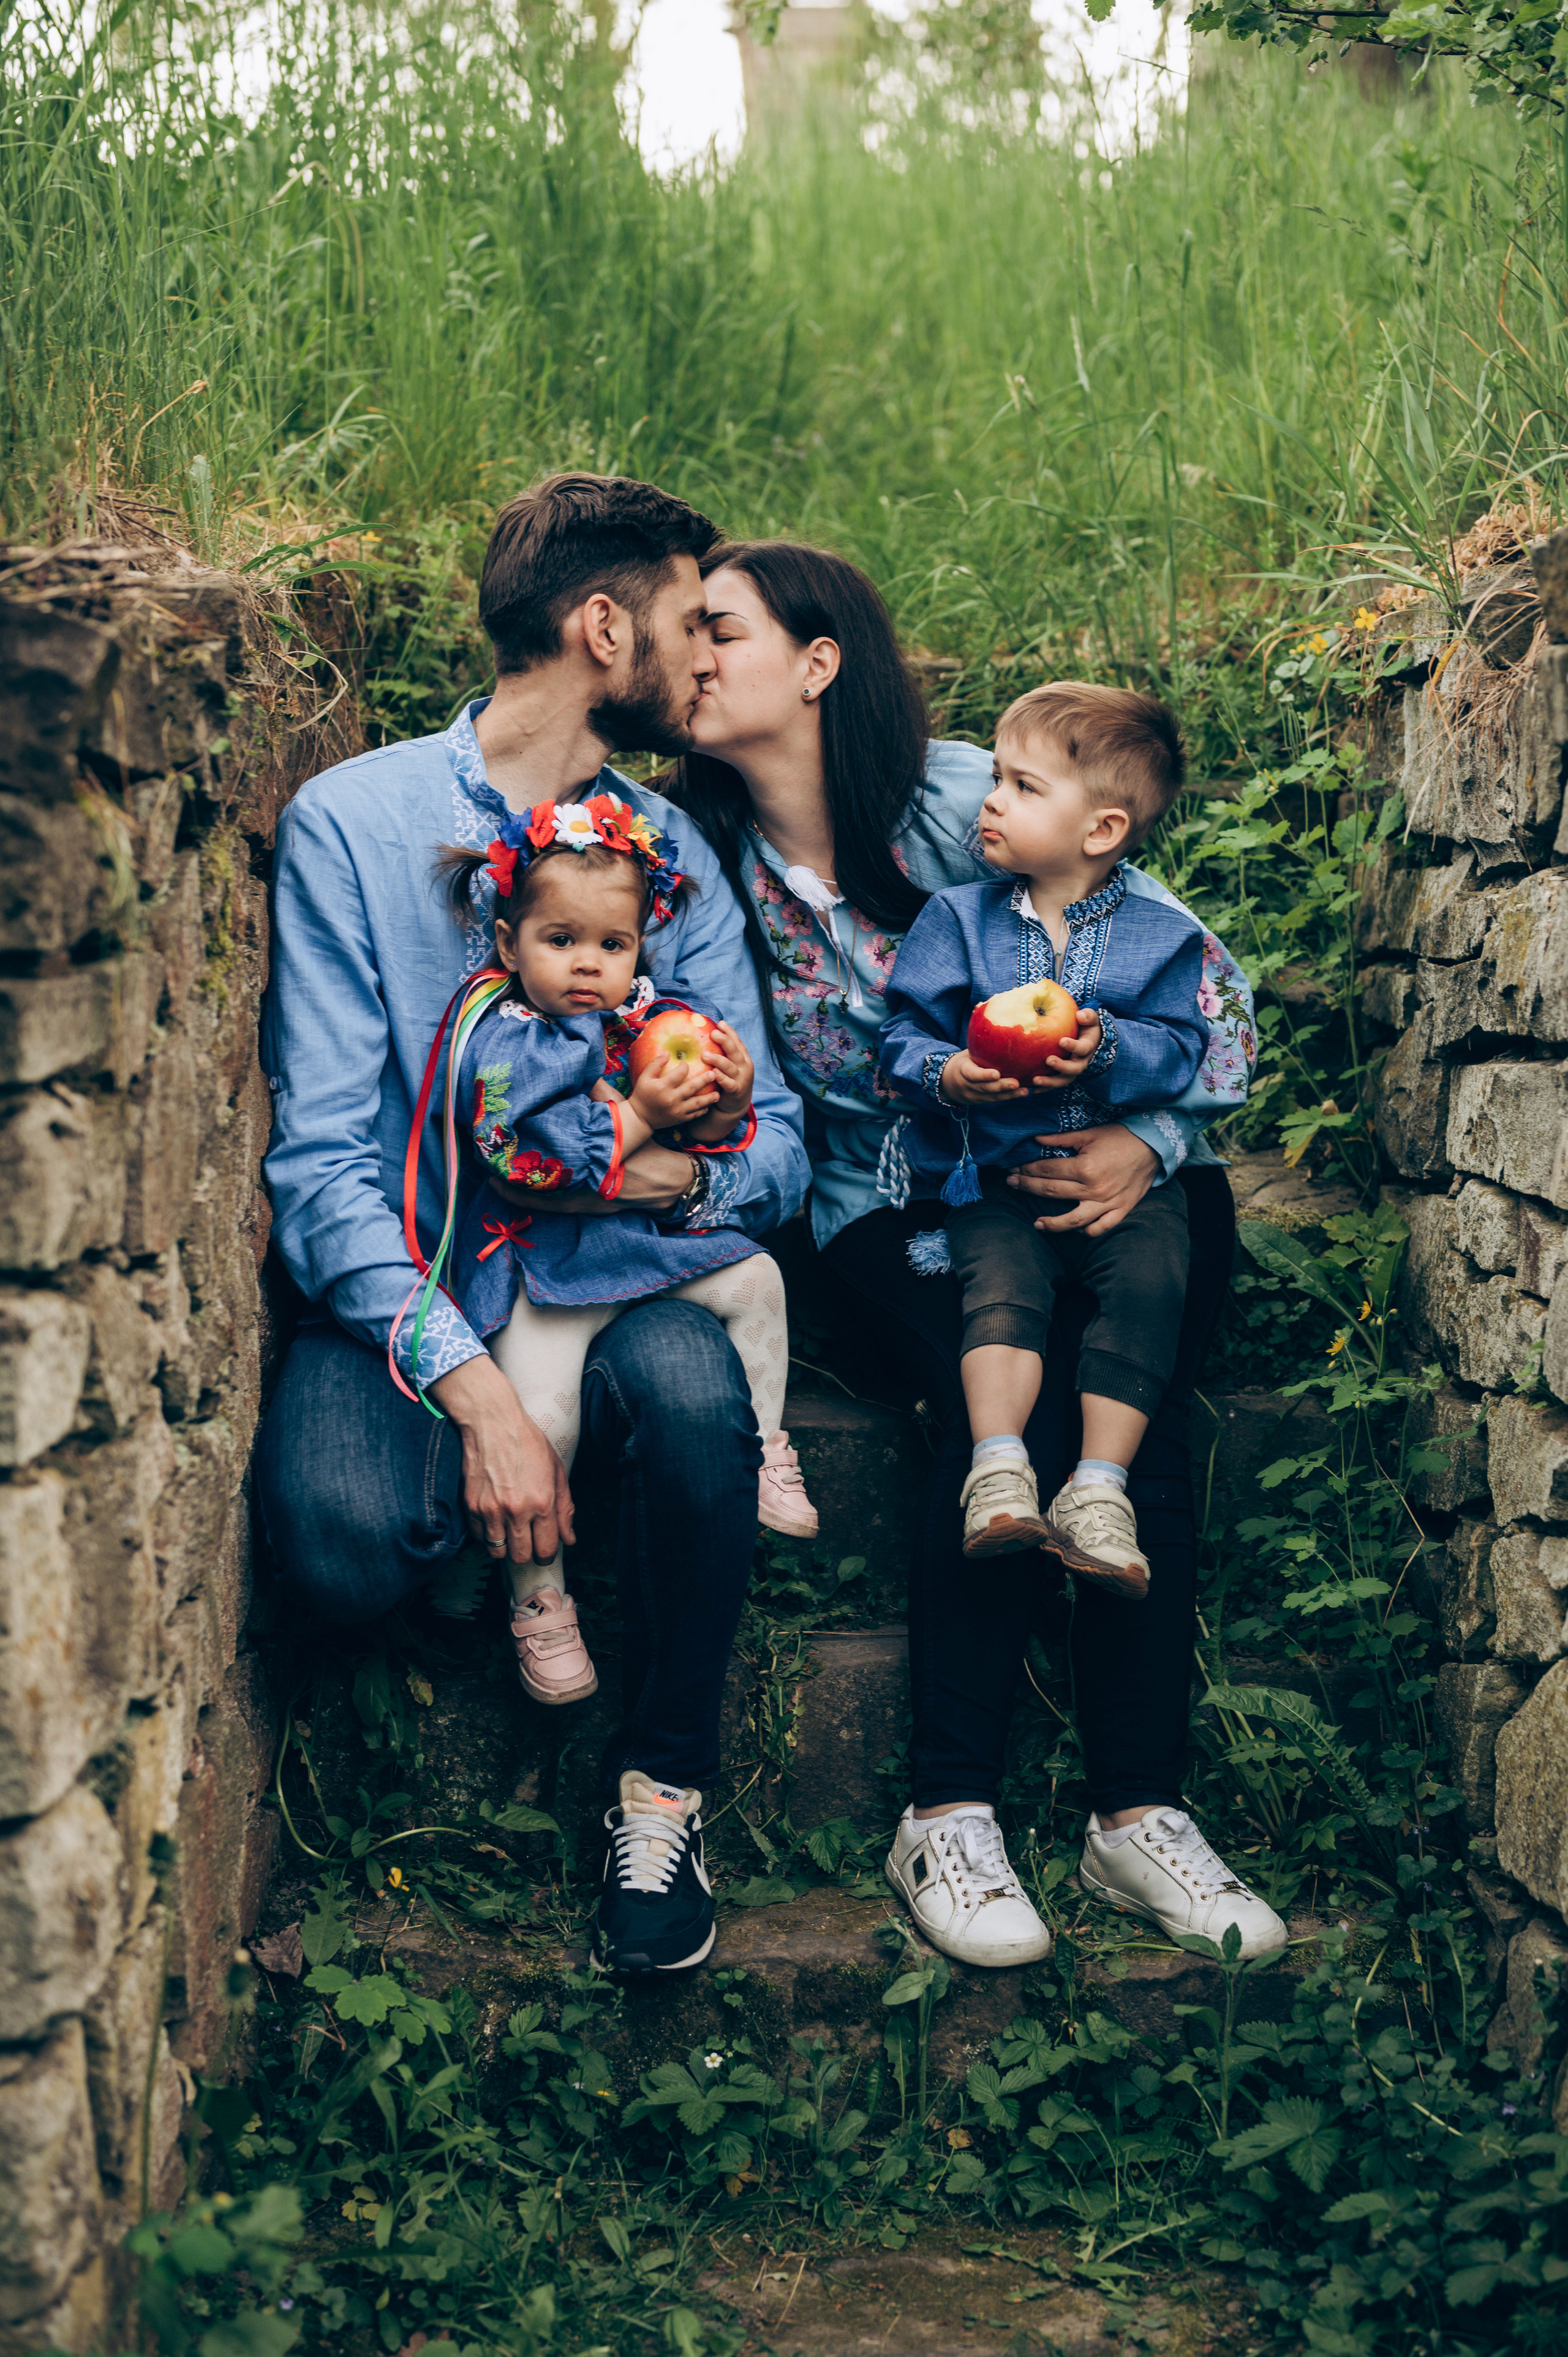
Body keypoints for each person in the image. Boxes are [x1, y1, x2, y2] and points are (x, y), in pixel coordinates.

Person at [670, 539, 1289, 1970]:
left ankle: (1137, 1815)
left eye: (719, 629)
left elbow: (1183, 978)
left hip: (1106, 1162)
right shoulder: (695, 858)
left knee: (1118, 1402)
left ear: (817, 664)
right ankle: (948, 1810)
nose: (689, 655)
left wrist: (1151, 1137)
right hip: (887, 1189)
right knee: (990, 1394)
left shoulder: (973, 797)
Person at [255, 474, 812, 1976]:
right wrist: (474, 1389)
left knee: (698, 1407)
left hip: (613, 1280)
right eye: (693, 626)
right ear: (598, 625)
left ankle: (662, 1790)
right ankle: (502, 1515)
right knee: (340, 1540)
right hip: (427, 1280)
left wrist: (684, 1177)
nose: (707, 661)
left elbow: (779, 1154)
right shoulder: (351, 826)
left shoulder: (669, 850)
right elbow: (318, 1167)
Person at [418, 791, 818, 1708]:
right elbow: (528, 1160)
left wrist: (723, 1098)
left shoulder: (647, 1018)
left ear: (641, 946)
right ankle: (537, 1597)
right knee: (540, 1419)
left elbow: (716, 1146)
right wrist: (640, 1115)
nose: (589, 966)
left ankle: (763, 1446)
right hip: (540, 1266)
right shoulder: (505, 1036)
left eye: (613, 944)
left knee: (757, 1276)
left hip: (633, 1250)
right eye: (561, 941)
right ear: (509, 941)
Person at [878, 683, 1208, 1594]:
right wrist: (948, 1073)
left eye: (1022, 786)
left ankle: (1100, 1492)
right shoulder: (958, 921)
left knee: (1153, 1279)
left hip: (1120, 1183)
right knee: (998, 1281)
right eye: (995, 777)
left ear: (1101, 831)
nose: (990, 800)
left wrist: (1110, 1049)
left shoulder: (1161, 936)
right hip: (993, 1173)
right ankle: (998, 1469)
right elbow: (900, 1038)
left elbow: (1186, 1047)